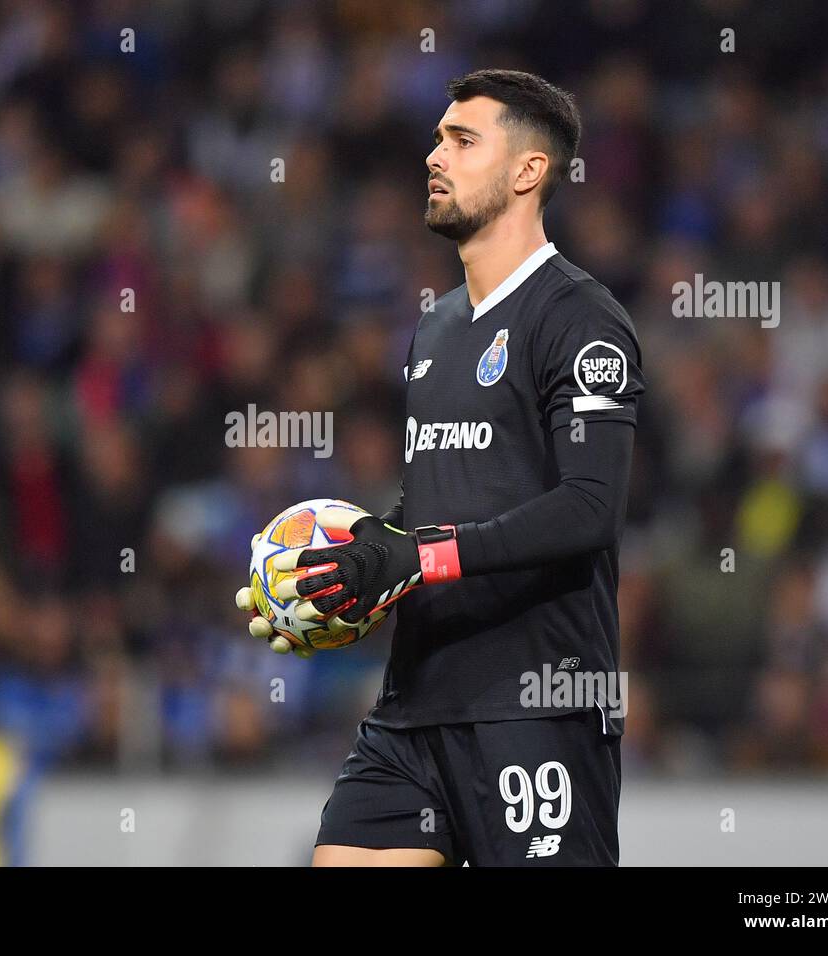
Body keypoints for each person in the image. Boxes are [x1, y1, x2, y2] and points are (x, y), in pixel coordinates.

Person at [239, 69, 643, 866]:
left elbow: (590, 506)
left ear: (529, 171)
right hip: (413, 707)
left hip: (534, 706)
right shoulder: (436, 330)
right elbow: (436, 500)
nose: (435, 156)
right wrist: (359, 566)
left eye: (462, 141)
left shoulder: (580, 317)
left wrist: (415, 557)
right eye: (436, 139)